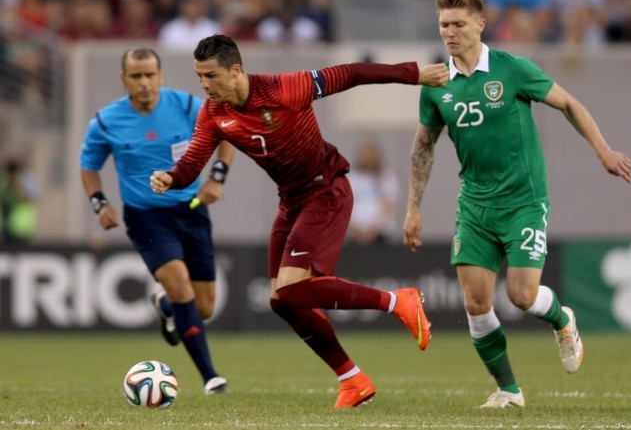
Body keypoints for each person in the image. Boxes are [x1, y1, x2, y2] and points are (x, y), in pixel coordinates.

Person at [150, 34, 449, 408]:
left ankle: (397, 301)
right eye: (199, 77)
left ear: (236, 70)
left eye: (210, 76)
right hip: (291, 201)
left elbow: (352, 73)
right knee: (282, 301)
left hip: (327, 191)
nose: (204, 86)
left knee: (291, 290)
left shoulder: (284, 89)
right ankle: (352, 380)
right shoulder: (214, 113)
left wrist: (413, 73)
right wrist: (172, 178)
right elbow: (193, 162)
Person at [403, 0, 631, 409]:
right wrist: (413, 207)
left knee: (522, 296)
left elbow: (570, 104)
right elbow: (424, 145)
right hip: (474, 204)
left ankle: (563, 320)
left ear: (480, 24)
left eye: (458, 24)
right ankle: (509, 390)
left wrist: (603, 150)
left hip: (524, 201)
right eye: (443, 26)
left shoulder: (512, 70)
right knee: (475, 302)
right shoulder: (435, 84)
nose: (450, 33)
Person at [79, 48, 236, 395]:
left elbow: (226, 134)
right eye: (136, 76)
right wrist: (99, 203)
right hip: (146, 216)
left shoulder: (187, 107)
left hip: (191, 209)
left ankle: (165, 305)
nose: (145, 83)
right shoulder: (105, 122)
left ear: (161, 76)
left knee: (203, 306)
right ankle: (211, 376)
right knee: (180, 285)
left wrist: (217, 177)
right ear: (124, 80)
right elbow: (88, 166)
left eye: (150, 75)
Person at [347, 140, 400, 245]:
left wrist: (374, 228)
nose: (367, 158)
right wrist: (352, 227)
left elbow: (389, 203)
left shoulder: (385, 177)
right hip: (356, 232)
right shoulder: (352, 178)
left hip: (380, 232)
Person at [0, 154, 39, 245]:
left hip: (20, 229)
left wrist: (16, 184)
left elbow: (30, 197)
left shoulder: (25, 177)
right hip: (4, 229)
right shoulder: (3, 178)